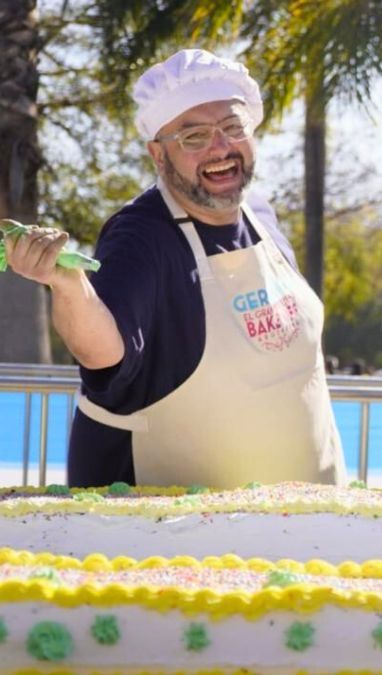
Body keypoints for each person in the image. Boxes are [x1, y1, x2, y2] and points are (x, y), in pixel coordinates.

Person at [3, 49, 346, 488]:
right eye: (194, 137)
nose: (220, 147)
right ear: (158, 156)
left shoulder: (262, 217)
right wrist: (69, 286)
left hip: (313, 529)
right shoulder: (141, 236)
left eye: (232, 127)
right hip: (171, 539)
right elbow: (106, 355)